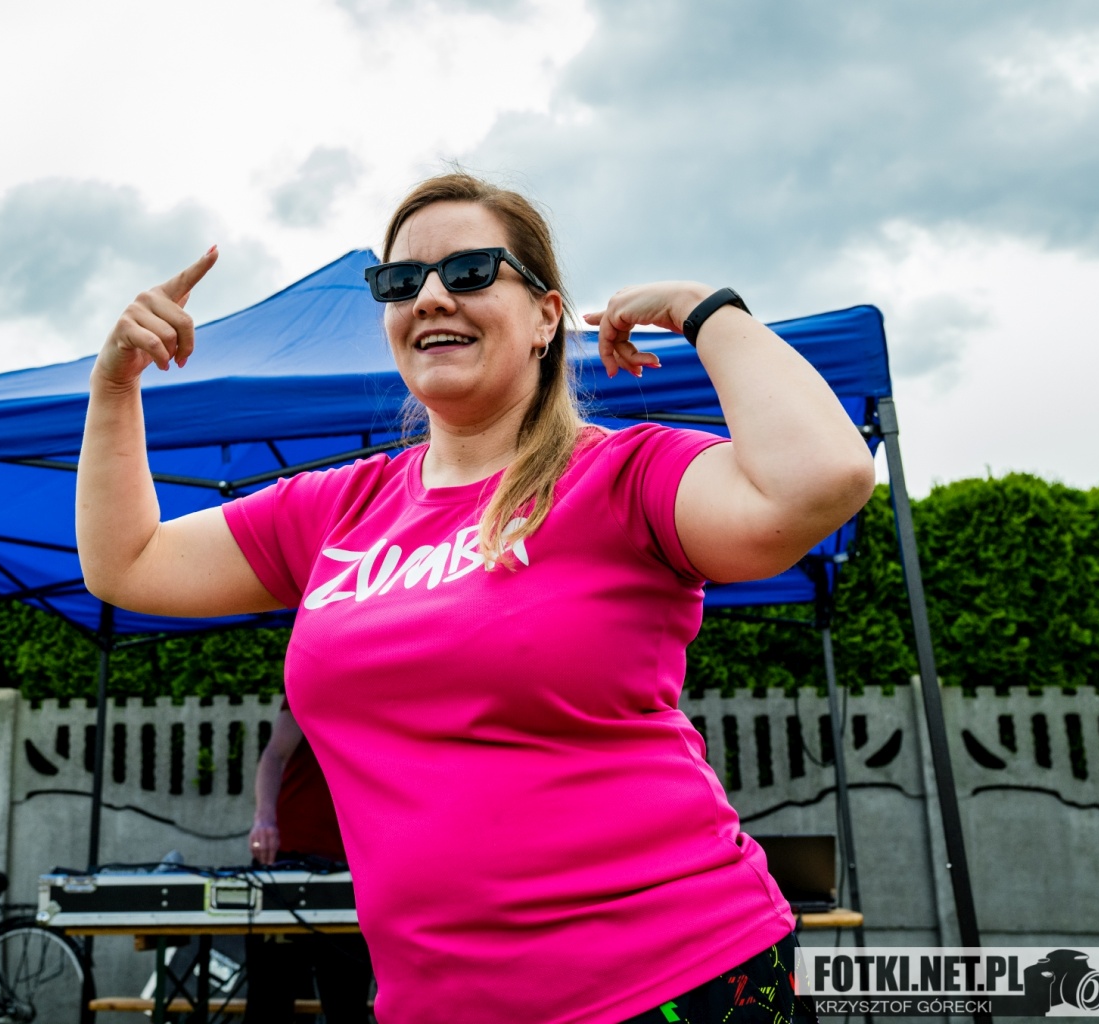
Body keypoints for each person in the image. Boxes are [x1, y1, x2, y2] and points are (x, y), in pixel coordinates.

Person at [76, 172, 876, 1023]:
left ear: (545, 318)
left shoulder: (621, 475)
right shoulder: (337, 508)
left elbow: (822, 479)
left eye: (468, 271)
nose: (428, 296)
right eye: (400, 281)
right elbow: (128, 564)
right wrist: (115, 384)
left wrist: (701, 308)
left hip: (678, 982)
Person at [243, 703, 373, 1024]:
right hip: (289, 859)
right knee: (269, 1004)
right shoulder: (315, 681)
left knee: (346, 1004)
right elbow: (275, 754)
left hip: (354, 867)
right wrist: (264, 819)